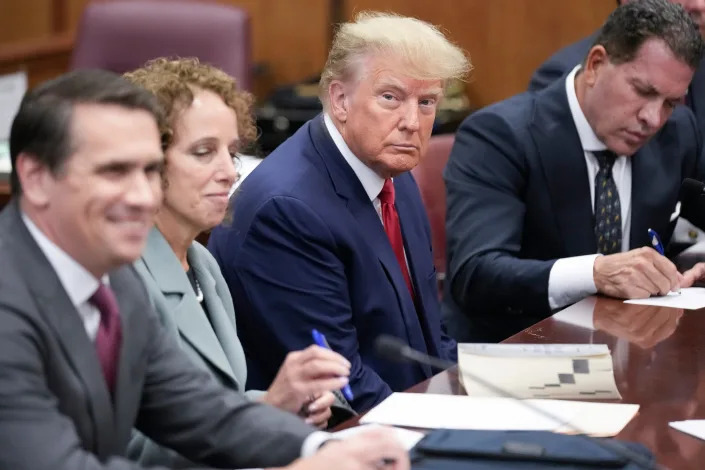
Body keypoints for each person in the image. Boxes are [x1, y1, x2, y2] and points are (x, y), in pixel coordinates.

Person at [0, 68, 408, 470]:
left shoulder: (113, 281)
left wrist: (321, 449)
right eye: (115, 171)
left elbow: (201, 412)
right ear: (36, 178)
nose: (144, 196)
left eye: (149, 170)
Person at [208, 12, 470, 412]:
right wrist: (450, 426)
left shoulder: (392, 171)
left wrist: (482, 400)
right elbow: (342, 384)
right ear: (340, 99)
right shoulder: (287, 212)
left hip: (413, 411)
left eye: (427, 102)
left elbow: (430, 338)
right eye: (391, 98)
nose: (412, 123)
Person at [122, 58, 355, 467]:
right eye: (203, 152)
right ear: (145, 159)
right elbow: (128, 448)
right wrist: (265, 412)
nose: (229, 172)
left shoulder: (204, 265)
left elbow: (218, 403)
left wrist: (284, 402)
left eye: (232, 152)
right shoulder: (117, 280)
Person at [443, 0, 705, 342]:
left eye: (670, 102)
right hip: (524, 354)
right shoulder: (500, 135)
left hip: (633, 352)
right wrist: (595, 272)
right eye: (643, 92)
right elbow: (476, 274)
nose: (653, 119)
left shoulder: (678, 131)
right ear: (596, 64)